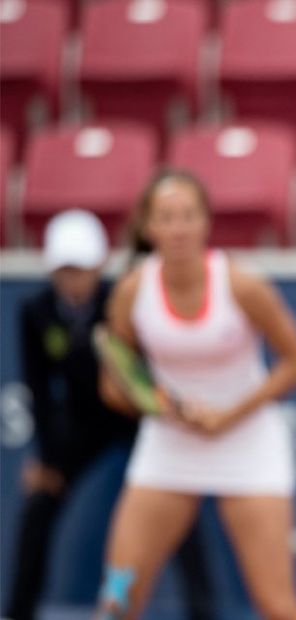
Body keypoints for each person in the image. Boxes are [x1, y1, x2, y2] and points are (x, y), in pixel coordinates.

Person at [96, 170, 296, 619]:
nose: (178, 228)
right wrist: (164, 409)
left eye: (188, 216)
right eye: (166, 217)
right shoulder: (131, 292)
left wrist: (229, 416)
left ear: (206, 223)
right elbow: (115, 386)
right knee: (117, 599)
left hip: (249, 445)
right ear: (147, 227)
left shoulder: (243, 286)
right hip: (168, 447)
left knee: (278, 607)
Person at [4, 210, 214, 620]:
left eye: (80, 270)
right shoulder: (36, 311)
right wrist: (48, 459)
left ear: (99, 266)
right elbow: (40, 390)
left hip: (133, 416)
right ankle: (18, 611)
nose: (73, 280)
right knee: (39, 503)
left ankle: (203, 611)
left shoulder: (120, 299)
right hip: (79, 423)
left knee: (176, 504)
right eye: (64, 270)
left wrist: (156, 411)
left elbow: (144, 370)